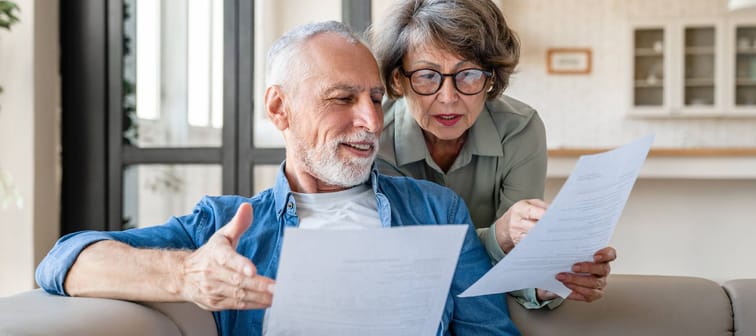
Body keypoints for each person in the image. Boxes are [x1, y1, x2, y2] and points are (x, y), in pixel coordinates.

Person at [35, 21, 520, 335]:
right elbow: (63, 262)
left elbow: (490, 332)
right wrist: (187, 275)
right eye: (342, 99)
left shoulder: (437, 211)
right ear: (278, 107)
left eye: (375, 99)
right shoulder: (228, 227)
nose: (372, 122)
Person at [371, 0, 615, 308]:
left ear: (491, 78)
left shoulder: (520, 129)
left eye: (469, 74)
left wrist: (547, 283)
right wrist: (499, 236)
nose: (448, 98)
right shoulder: (374, 141)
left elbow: (523, 258)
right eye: (427, 76)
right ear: (397, 79)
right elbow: (410, 264)